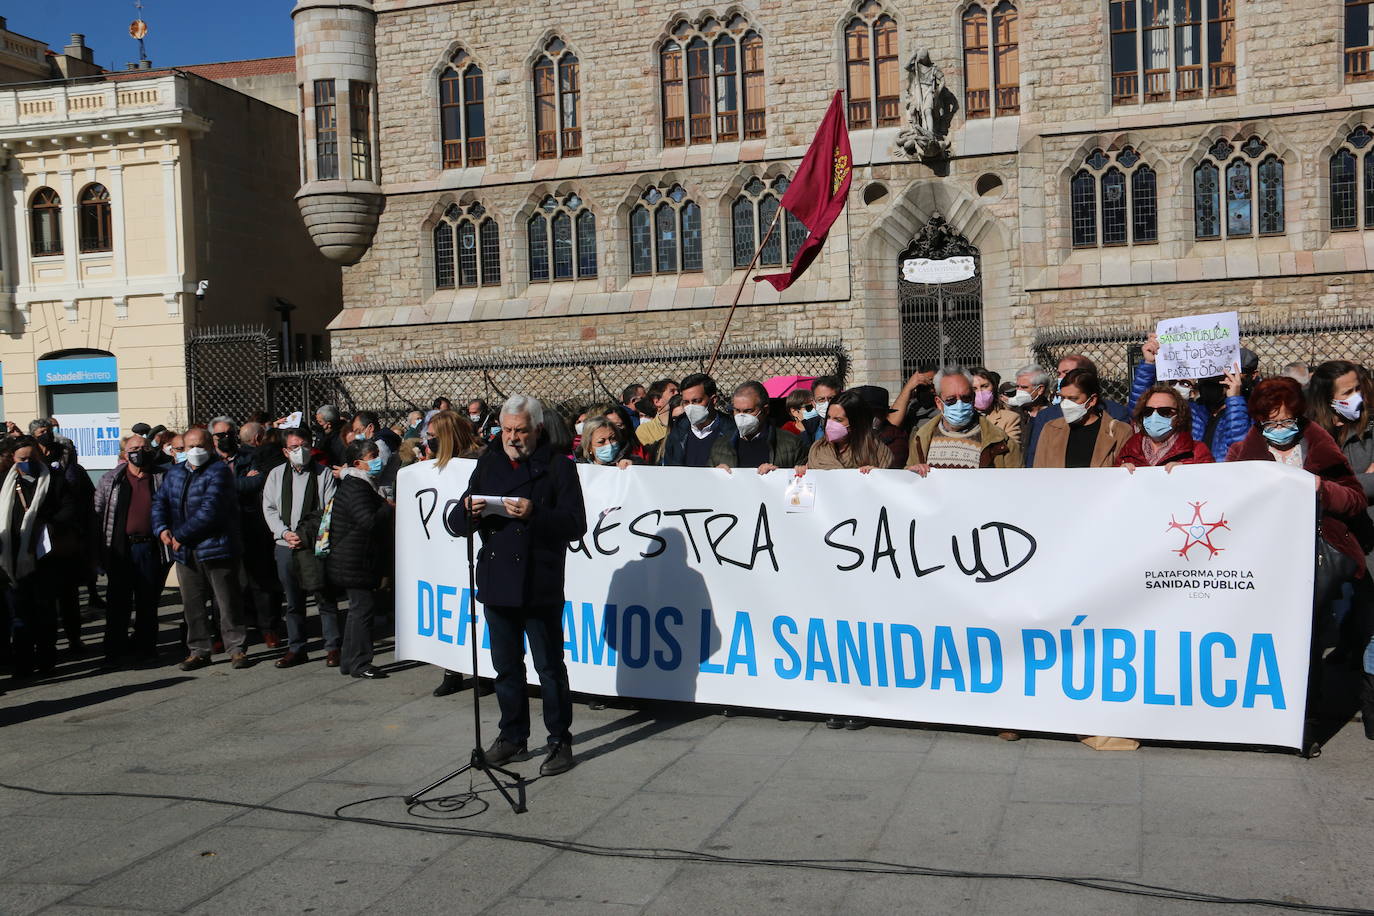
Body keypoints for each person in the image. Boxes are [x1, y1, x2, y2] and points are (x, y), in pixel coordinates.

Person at [446, 394, 588, 776]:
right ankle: (512, 736)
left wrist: (536, 513)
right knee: (505, 667)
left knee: (548, 666)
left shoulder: (558, 466)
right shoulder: (488, 463)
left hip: (539, 582)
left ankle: (560, 740)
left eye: (520, 430)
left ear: (537, 429)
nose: (512, 437)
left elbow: (576, 524)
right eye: (507, 430)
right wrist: (467, 511)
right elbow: (458, 524)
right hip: (496, 581)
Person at [1228, 376, 1369, 737]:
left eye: (1286, 421)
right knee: (1261, 639)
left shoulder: (1318, 443)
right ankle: (1259, 715)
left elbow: (1354, 499)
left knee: (1306, 641)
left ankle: (1301, 720)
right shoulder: (1241, 451)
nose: (1279, 429)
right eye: (1270, 422)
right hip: (1261, 562)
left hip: (1311, 560)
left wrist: (1323, 489)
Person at [1307, 360, 1374, 736]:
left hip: (1366, 543)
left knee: (1370, 627)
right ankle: (1309, 712)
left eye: (1357, 389)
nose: (1357, 398)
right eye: (1347, 393)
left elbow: (1343, 492)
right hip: (1324, 545)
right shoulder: (1314, 435)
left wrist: (1339, 488)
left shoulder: (1368, 430)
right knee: (1313, 629)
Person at [151, 427, 248, 671]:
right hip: (185, 550)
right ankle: (198, 649)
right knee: (192, 603)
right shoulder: (174, 473)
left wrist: (181, 535)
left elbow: (210, 510)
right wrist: (161, 527)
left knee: (226, 601)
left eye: (200, 446)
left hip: (216, 547)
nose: (194, 451)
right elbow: (160, 502)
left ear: (209, 446)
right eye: (188, 446)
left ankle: (236, 648)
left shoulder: (219, 472)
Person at [262, 427, 340, 669]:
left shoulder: (323, 474)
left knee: (323, 596)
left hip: (314, 544)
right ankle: (296, 647)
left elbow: (329, 508)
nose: (301, 451)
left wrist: (305, 535)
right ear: (286, 451)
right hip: (286, 544)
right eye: (295, 447)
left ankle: (333, 647)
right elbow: (270, 508)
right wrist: (285, 532)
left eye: (304, 445)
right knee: (294, 601)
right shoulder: (276, 475)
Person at [1, 436, 78, 678]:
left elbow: (69, 508)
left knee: (44, 612)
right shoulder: (5, 482)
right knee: (20, 615)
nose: (27, 463)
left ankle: (46, 661)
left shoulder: (54, 480)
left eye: (31, 458)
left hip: (45, 558)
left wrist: (50, 524)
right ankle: (23, 664)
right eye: (21, 459)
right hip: (12, 559)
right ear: (13, 459)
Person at [95, 435, 173, 667]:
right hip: (120, 548)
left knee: (147, 601)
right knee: (118, 602)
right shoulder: (111, 479)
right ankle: (114, 651)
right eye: (134, 448)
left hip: (150, 547)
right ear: (124, 453)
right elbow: (97, 512)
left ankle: (146, 648)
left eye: (144, 447)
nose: (140, 451)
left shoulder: (162, 477)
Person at [429, 409, 486, 699]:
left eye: (432, 438)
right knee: (453, 610)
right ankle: (452, 670)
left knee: (479, 613)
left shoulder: (478, 461)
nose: (428, 443)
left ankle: (484, 673)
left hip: (476, 546)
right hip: (448, 549)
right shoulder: (436, 465)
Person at [325, 438, 393, 679]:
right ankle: (361, 662)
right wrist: (389, 506)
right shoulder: (357, 486)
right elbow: (369, 521)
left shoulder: (359, 483)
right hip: (355, 561)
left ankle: (350, 660)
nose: (378, 459)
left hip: (353, 559)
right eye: (372, 455)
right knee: (362, 610)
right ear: (357, 463)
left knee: (357, 610)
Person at [1128, 334, 1251, 462]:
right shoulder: (1188, 413)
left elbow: (1240, 448)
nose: (1210, 387)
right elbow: (1138, 410)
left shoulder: (1237, 412)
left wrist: (1235, 400)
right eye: (1172, 382)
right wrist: (1149, 364)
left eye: (1215, 382)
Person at [906, 367, 1021, 473]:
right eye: (951, 400)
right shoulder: (921, 438)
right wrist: (912, 472)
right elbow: (908, 478)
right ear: (938, 403)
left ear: (973, 398)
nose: (959, 404)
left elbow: (1017, 483)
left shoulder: (1000, 441)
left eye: (966, 398)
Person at [1025, 355, 1132, 465]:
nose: (1066, 404)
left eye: (1073, 398)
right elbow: (1039, 470)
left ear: (1092, 400)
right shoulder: (1050, 429)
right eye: (1062, 398)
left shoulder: (1119, 431)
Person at [708, 381, 806, 474]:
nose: (741, 416)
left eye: (748, 411)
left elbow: (803, 484)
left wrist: (779, 475)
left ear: (766, 410)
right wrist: (714, 476)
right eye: (737, 410)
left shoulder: (791, 444)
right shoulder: (720, 446)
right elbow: (706, 484)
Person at [1117, 384, 1215, 471]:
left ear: (1179, 415)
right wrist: (1119, 473)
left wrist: (1189, 471)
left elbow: (1211, 482)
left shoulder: (1196, 451)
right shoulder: (1129, 449)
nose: (1154, 416)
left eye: (1165, 411)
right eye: (1148, 411)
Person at [797, 390, 895, 473]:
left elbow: (889, 489)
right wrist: (801, 472)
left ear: (855, 423)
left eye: (838, 420)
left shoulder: (878, 452)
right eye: (829, 417)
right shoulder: (817, 451)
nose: (830, 424)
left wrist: (879, 475)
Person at [660, 373, 729, 467]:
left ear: (713, 400)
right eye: (686, 402)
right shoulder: (678, 431)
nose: (690, 407)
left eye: (696, 401)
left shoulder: (732, 431)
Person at [850, 385, 909, 468]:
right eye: (862, 413)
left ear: (884, 414)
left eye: (874, 412)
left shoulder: (896, 437)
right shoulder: (850, 434)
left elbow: (893, 465)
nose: (868, 417)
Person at [970, 367, 1023, 445]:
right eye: (974, 389)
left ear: (993, 387)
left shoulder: (1010, 418)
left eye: (985, 386)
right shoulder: (960, 419)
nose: (980, 392)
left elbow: (1012, 451)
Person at [635, 379, 679, 462]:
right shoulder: (645, 430)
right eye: (672, 391)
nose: (678, 394)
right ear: (657, 401)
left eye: (678, 391)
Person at [578, 416, 643, 468]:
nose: (609, 444)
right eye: (601, 442)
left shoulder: (633, 460)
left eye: (612, 438)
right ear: (589, 447)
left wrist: (634, 466)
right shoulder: (580, 469)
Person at [891, 367, 938, 435]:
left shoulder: (946, 411)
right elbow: (892, 424)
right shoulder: (911, 408)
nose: (931, 390)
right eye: (923, 386)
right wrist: (908, 388)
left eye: (933, 384)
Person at [809, 375, 845, 442]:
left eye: (831, 398)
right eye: (821, 399)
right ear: (813, 403)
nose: (827, 403)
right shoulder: (809, 429)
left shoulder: (850, 426)